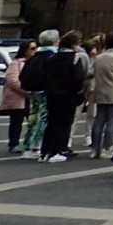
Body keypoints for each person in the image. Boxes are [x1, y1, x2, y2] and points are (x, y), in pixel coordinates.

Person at [40, 32, 86, 162]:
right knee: (64, 123)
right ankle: (57, 150)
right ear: (73, 45)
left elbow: (45, 75)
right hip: (68, 95)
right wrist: (77, 89)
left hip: (52, 94)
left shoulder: (52, 58)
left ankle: (45, 151)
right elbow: (78, 78)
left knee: (52, 122)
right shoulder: (75, 59)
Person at [1, 39, 32, 152]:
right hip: (19, 97)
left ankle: (30, 142)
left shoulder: (35, 62)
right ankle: (13, 143)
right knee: (16, 122)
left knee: (33, 121)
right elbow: (12, 80)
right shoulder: (16, 63)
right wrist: (26, 91)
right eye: (32, 48)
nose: (35, 51)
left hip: (32, 98)